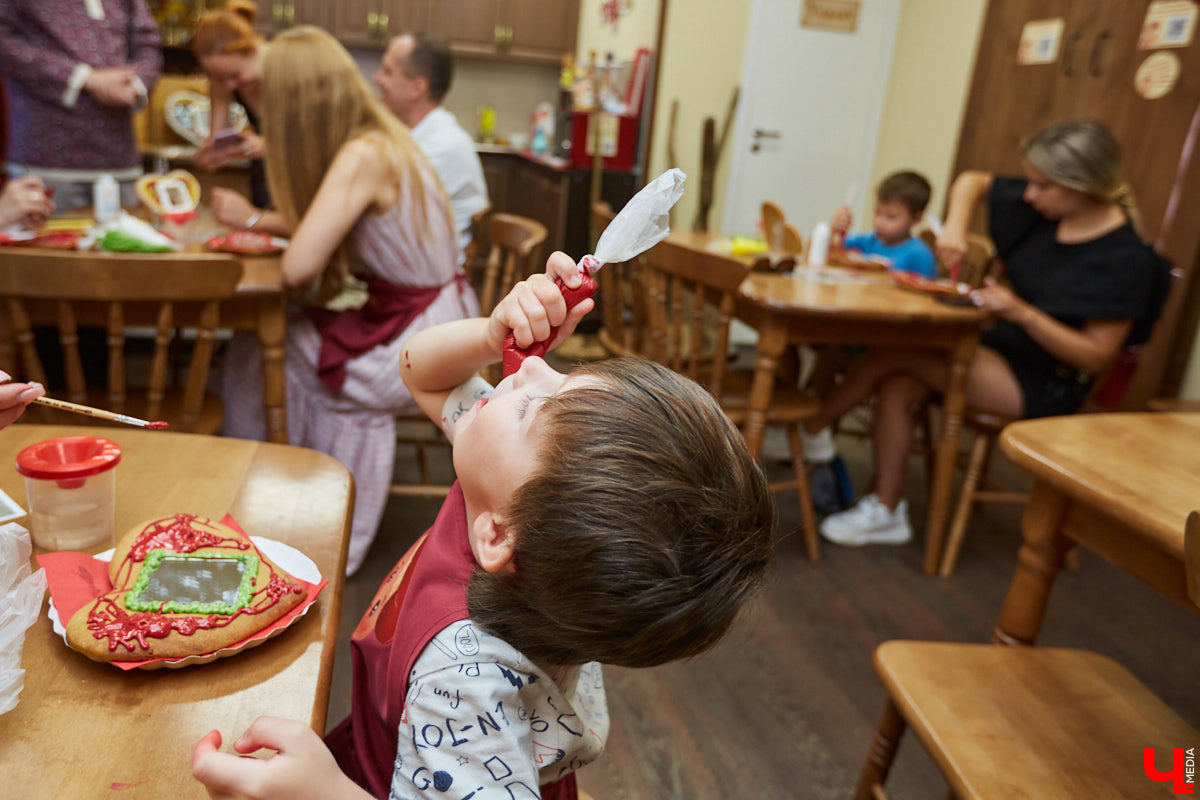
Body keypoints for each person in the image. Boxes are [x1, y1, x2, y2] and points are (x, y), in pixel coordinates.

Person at [192, 253, 776, 800]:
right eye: (562, 380)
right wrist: (490, 333)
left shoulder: (469, 692)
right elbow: (419, 371)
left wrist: (325, 793)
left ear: (497, 537)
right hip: (399, 744)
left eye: (531, 406)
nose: (534, 371)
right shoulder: (506, 500)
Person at [804, 119, 1170, 546]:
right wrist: (956, 226)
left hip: (1047, 382)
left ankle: (812, 428)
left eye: (1042, 186)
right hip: (1001, 348)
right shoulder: (1045, 210)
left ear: (1082, 186)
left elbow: (1093, 357)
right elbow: (973, 182)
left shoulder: (1124, 260)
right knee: (898, 384)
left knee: (891, 353)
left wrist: (1023, 314)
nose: (1028, 195)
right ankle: (886, 510)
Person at [217, 27, 478, 575]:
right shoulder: (379, 138)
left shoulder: (362, 153)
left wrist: (247, 216)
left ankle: (302, 520)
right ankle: (265, 495)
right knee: (267, 339)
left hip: (420, 338)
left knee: (267, 345)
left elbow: (298, 267)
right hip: (438, 316)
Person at [0, 0, 161, 210]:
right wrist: (84, 78)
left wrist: (135, 84)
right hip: (45, 164)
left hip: (120, 162)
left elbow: (148, 43)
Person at [374, 32, 489, 261]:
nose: (376, 78)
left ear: (417, 88)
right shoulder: (415, 136)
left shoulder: (443, 146)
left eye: (387, 71)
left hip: (429, 280)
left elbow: (377, 217)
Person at [191, 1, 271, 210]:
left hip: (307, 174)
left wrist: (268, 145)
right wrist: (211, 155)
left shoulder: (285, 69)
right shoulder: (222, 79)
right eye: (217, 77)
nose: (228, 85)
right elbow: (218, 139)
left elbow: (315, 142)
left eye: (235, 75)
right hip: (265, 175)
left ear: (253, 51)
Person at [830, 170, 936, 277]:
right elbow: (832, 249)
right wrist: (835, 228)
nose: (879, 222)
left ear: (917, 218)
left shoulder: (919, 254)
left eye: (891, 217)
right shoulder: (869, 241)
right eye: (877, 212)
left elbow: (924, 291)